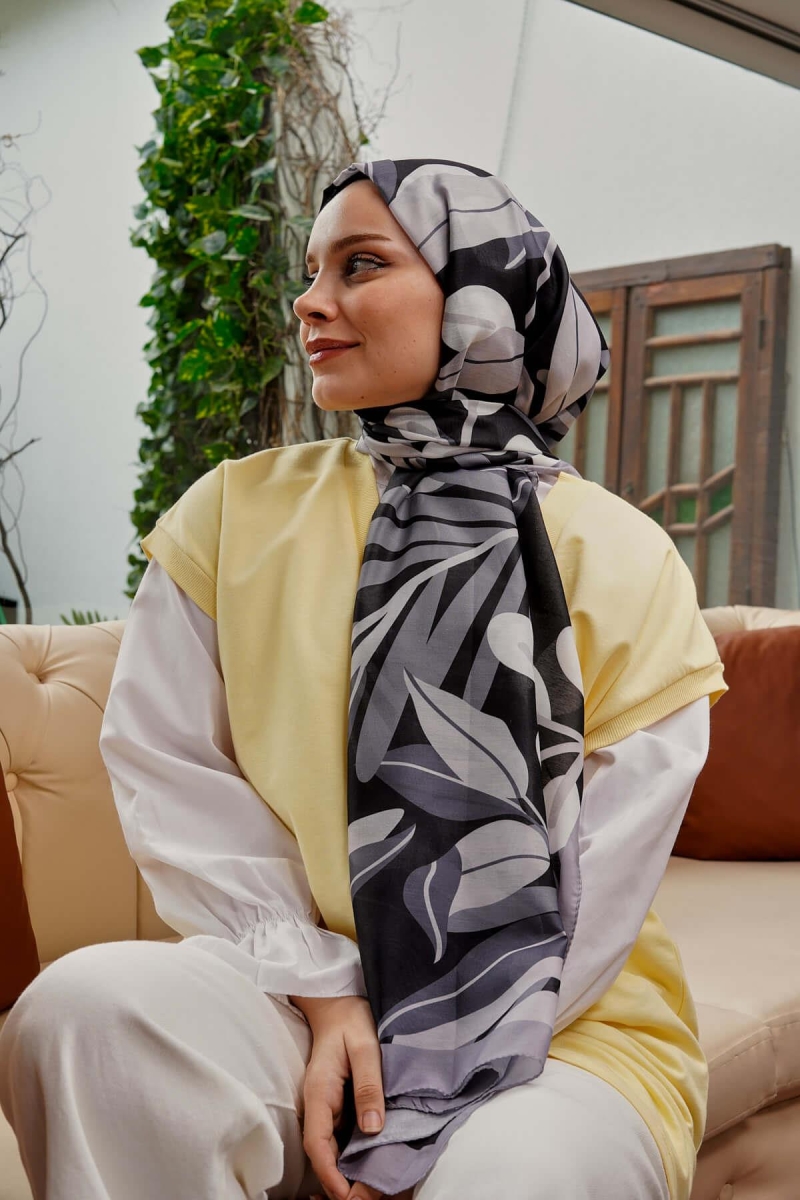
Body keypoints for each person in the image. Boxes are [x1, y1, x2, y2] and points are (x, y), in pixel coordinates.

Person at [0, 158, 726, 1200]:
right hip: (288, 992)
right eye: (310, 270)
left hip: (556, 1021)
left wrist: (427, 1054)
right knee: (89, 1015)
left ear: (479, 298)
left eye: (361, 264)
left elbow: (602, 879)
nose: (309, 301)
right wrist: (324, 991)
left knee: (515, 1177)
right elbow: (170, 770)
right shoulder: (234, 513)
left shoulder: (621, 554)